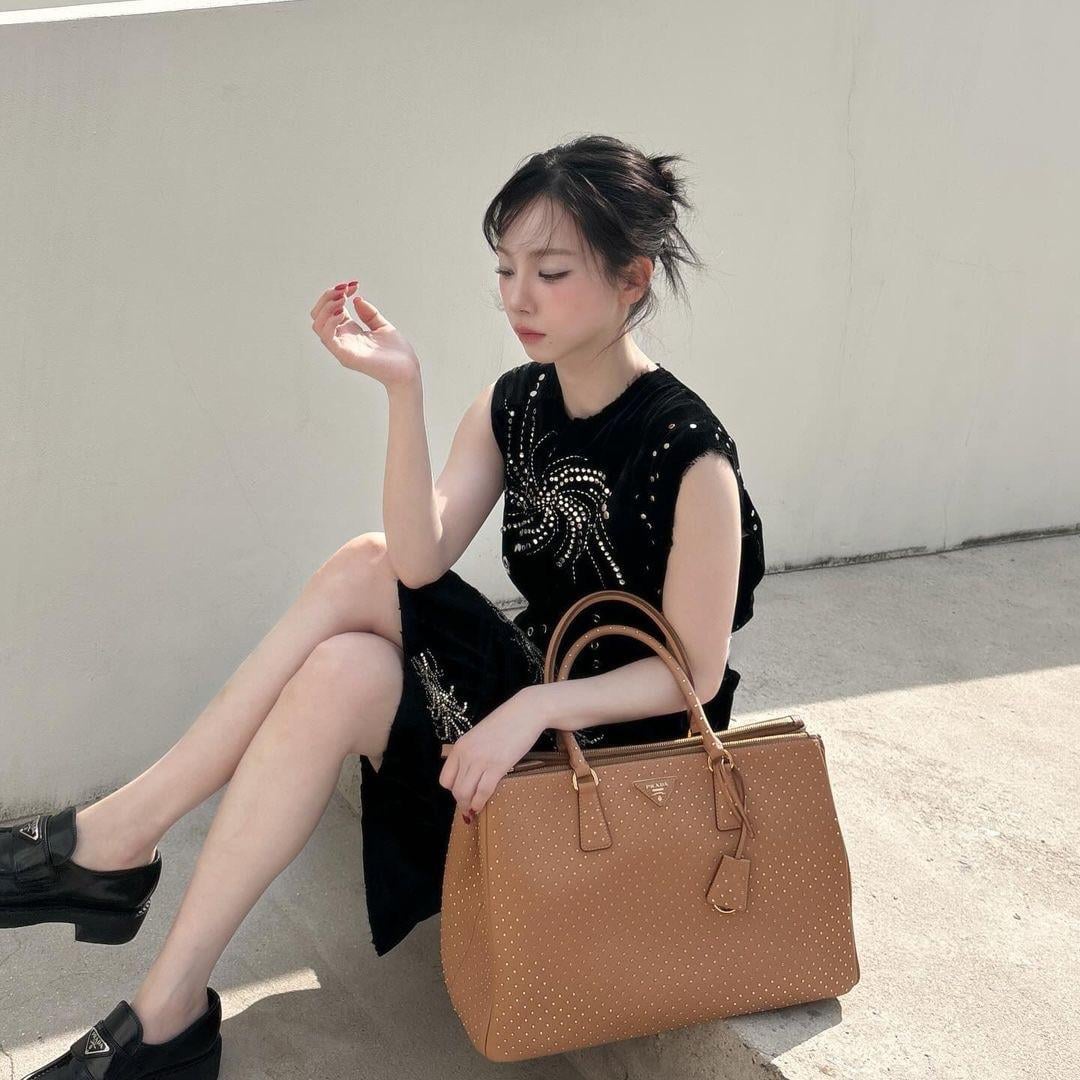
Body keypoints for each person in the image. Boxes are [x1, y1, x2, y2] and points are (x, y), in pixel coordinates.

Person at [0, 133, 765, 1079]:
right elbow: (418, 558)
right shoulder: (515, 404)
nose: (519, 297)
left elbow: (694, 674)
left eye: (551, 271)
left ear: (632, 278)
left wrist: (533, 707)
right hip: (524, 713)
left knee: (362, 570)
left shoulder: (688, 451)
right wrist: (403, 389)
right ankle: (167, 1012)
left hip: (624, 754)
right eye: (505, 269)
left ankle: (118, 838)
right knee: (342, 665)